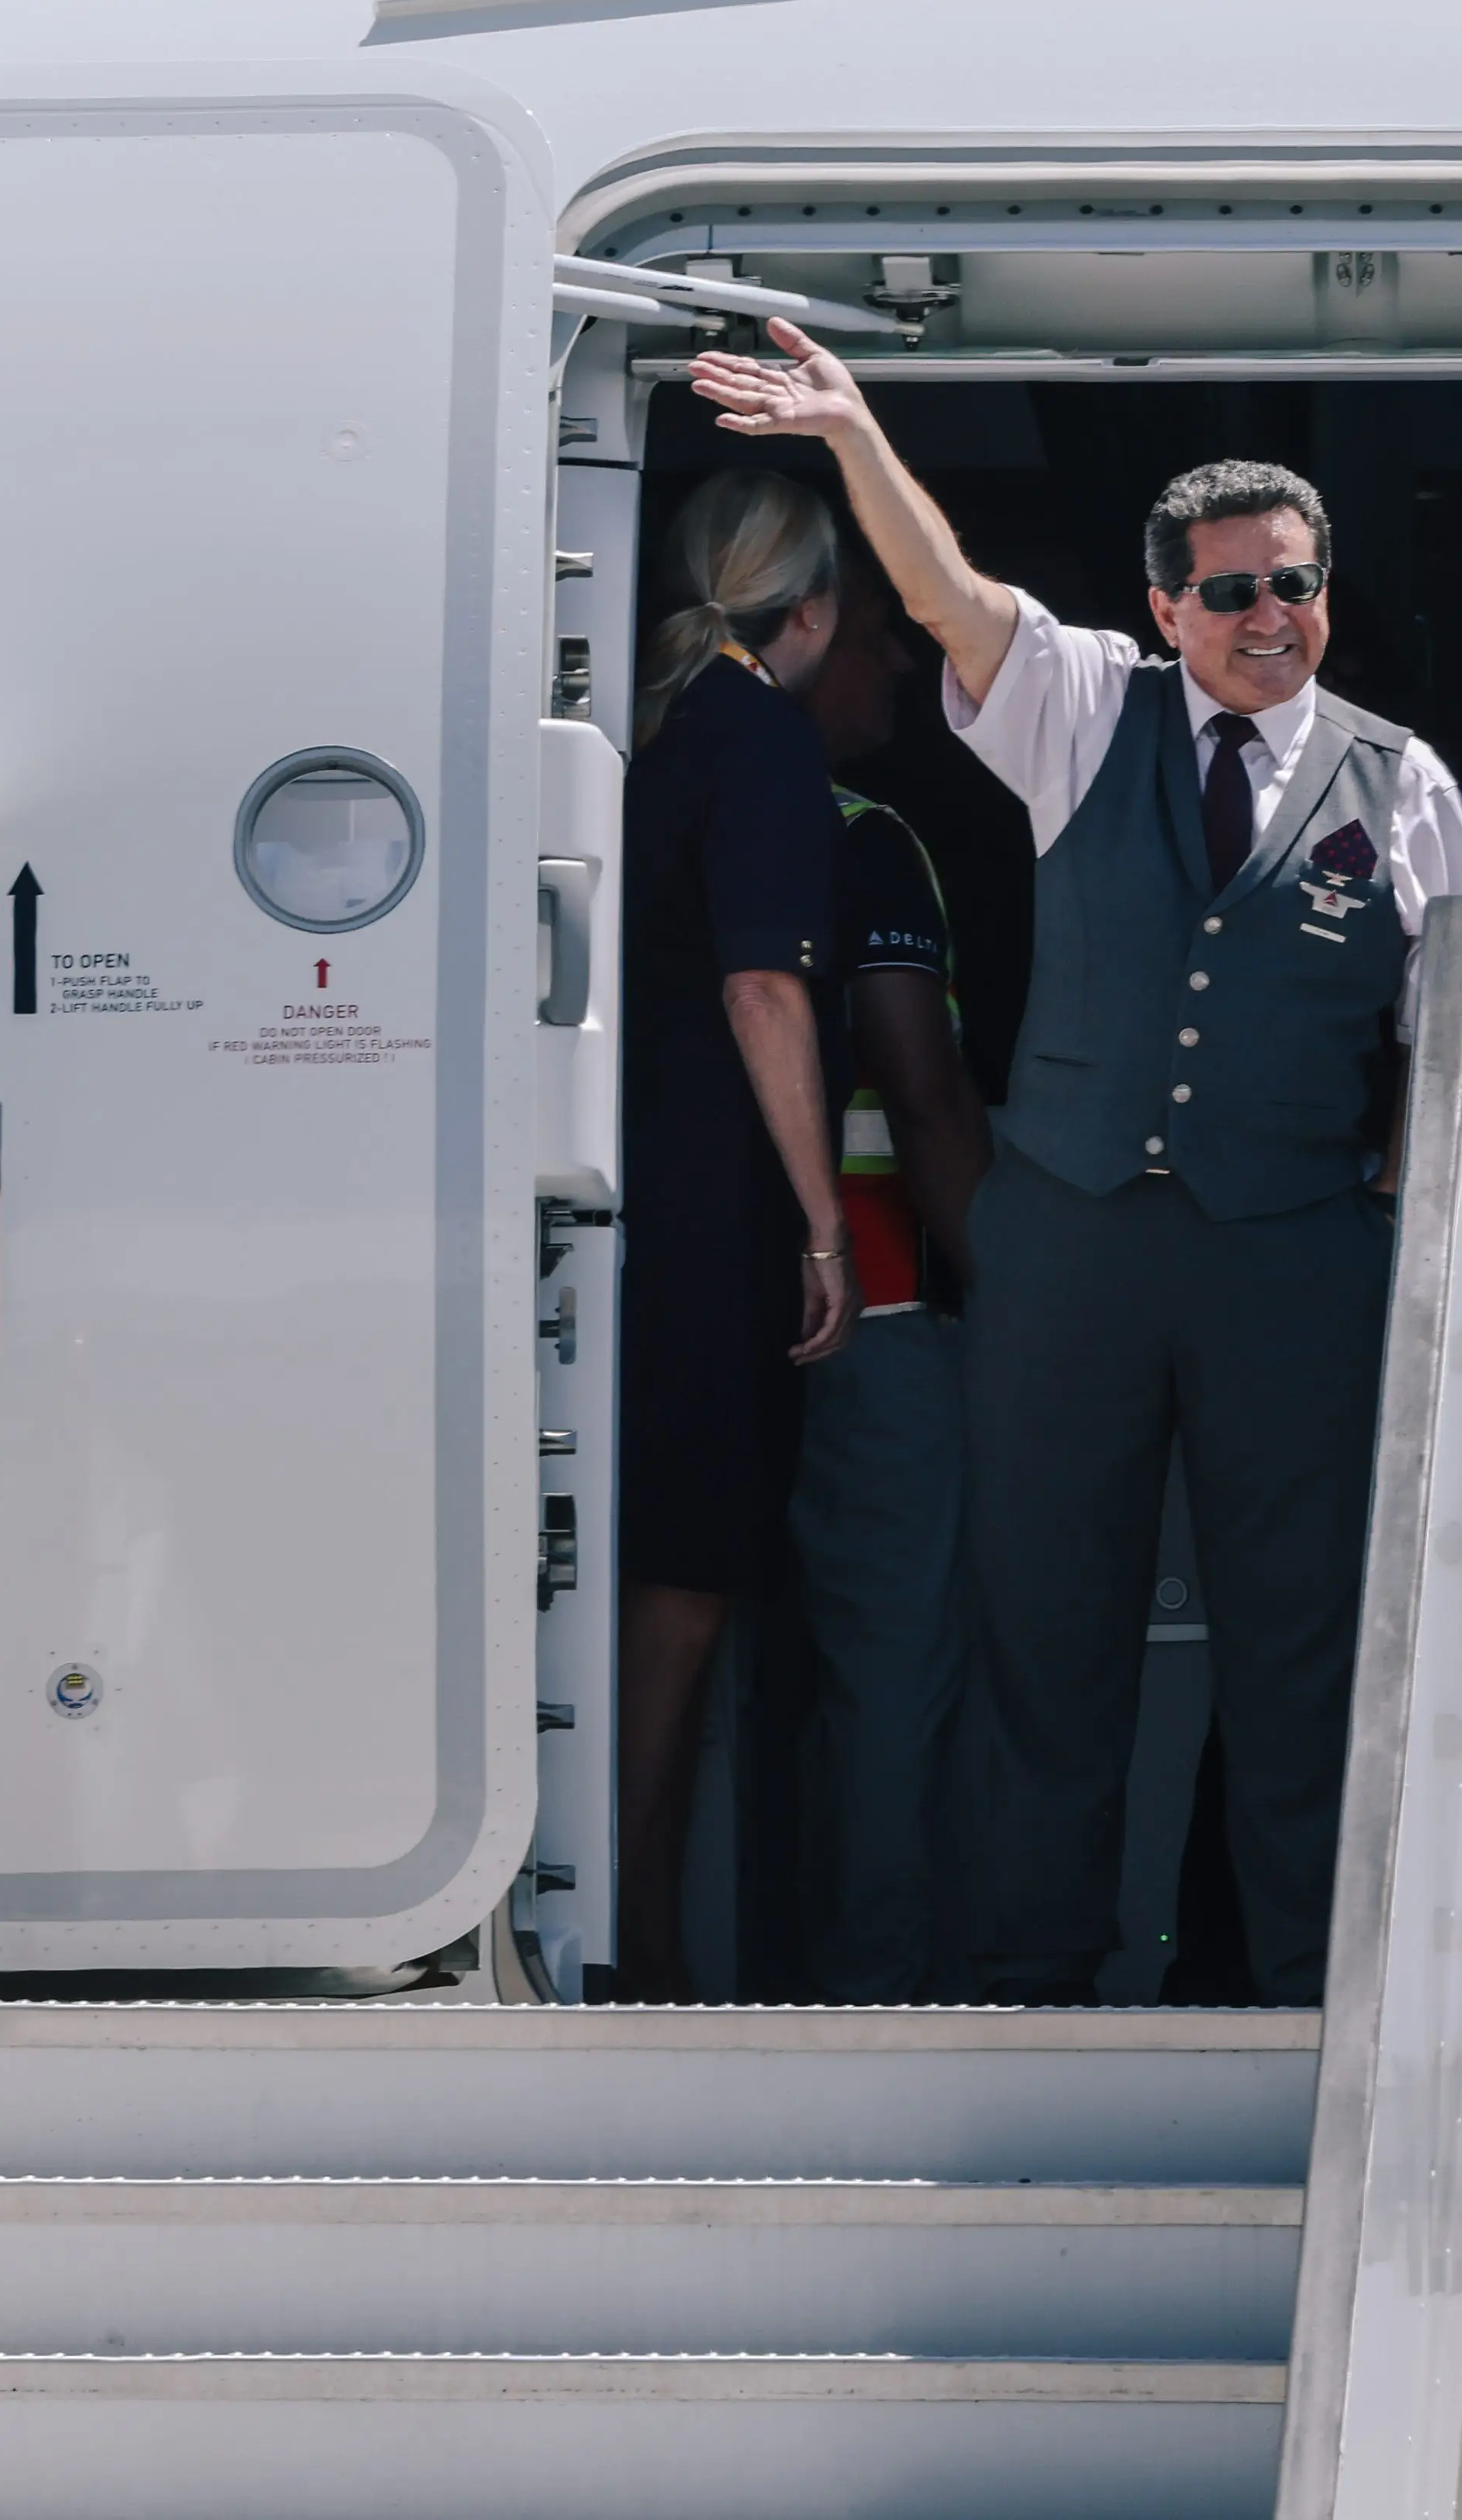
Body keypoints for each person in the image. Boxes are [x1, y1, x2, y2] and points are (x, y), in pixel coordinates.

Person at [689, 321, 1462, 2007]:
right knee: (1045, 1627)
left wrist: (1395, 1215)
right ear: (1164, 609)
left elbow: (1458, 1034)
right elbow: (944, 592)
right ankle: (1033, 1983)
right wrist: (851, 437)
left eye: (1295, 583)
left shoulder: (1401, 779)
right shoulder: (1076, 712)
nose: (1270, 616)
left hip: (1294, 1257)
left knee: (1297, 1648)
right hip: (1069, 1249)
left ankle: (1299, 1994)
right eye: (1232, 592)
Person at [611, 466, 858, 2001]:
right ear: (814, 605)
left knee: (645, 1561)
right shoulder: (759, 731)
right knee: (687, 1579)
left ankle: (625, 1917)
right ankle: (638, 1934)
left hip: (629, 1183)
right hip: (709, 1199)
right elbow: (764, 985)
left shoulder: (646, 727)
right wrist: (824, 1219)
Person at [783, 588, 990, 2000]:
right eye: (878, 633)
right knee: (896, 1668)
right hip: (887, 1305)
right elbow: (919, 1094)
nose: (906, 658)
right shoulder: (862, 840)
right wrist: (1009, 1288)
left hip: (718, 1306)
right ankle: (885, 1991)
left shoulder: (666, 805)